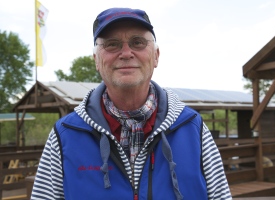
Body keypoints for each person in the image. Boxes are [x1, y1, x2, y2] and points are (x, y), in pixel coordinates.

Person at [31, 7, 232, 200]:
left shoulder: (193, 128)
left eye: (138, 42)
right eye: (112, 44)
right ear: (96, 60)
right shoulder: (64, 135)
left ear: (156, 56)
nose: (126, 53)